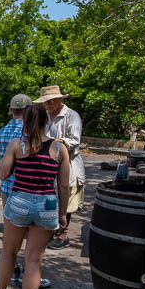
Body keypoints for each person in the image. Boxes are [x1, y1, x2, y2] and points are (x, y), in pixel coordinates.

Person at [0, 104, 70, 289]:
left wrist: (1, 159)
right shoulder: (59, 149)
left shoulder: (17, 145)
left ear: (24, 122)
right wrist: (62, 214)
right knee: (33, 259)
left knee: (8, 252)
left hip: (20, 200)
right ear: (46, 121)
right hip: (47, 205)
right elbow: (63, 187)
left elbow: (3, 175)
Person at [0, 94, 51, 289]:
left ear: (10, 110)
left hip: (9, 191)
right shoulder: (36, 132)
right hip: (36, 191)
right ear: (30, 111)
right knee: (33, 244)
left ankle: (12, 272)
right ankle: (31, 276)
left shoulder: (0, 133)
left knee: (10, 243)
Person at [34, 85, 85, 249]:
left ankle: (64, 233)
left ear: (59, 99)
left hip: (68, 161)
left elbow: (75, 140)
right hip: (48, 162)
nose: (48, 105)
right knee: (50, 196)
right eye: (46, 102)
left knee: (67, 197)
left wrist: (58, 143)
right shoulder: (46, 115)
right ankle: (52, 230)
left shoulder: (71, 116)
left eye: (51, 101)